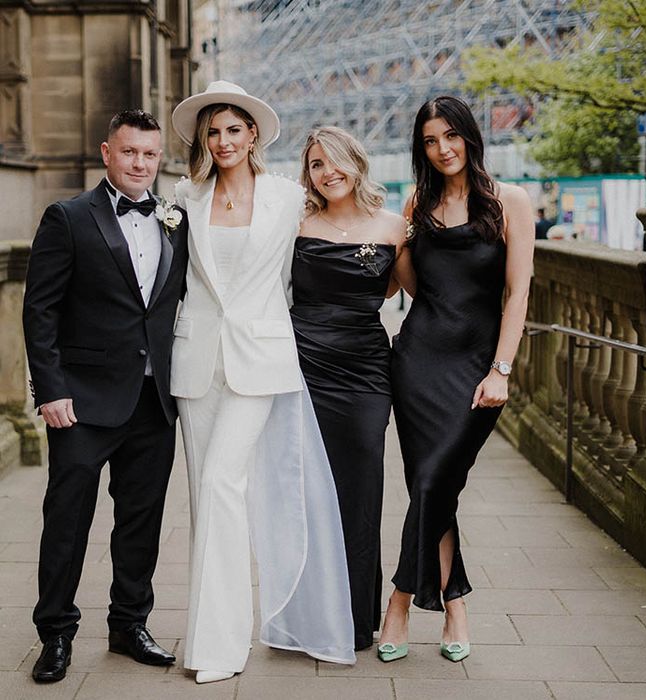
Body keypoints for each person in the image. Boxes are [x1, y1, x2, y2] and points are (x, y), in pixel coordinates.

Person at [169, 81, 355, 684]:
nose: (222, 141)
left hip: (261, 360)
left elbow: (317, 258)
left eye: (233, 130)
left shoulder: (286, 198)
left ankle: (226, 647)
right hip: (196, 363)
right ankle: (204, 641)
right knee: (206, 498)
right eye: (212, 132)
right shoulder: (185, 195)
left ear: (253, 136)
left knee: (225, 482)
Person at [22, 109, 189, 683]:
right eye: (129, 152)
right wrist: (50, 390)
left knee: (141, 521)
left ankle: (128, 624)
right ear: (106, 152)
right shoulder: (67, 218)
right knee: (67, 520)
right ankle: (57, 633)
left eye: (149, 154)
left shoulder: (176, 220)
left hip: (155, 401)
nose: (140, 163)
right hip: (82, 402)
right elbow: (39, 310)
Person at [378, 95, 534, 663]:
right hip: (418, 361)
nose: (442, 149)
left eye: (450, 136)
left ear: (469, 136)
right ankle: (454, 607)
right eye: (429, 140)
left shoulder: (510, 201)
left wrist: (501, 368)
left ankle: (398, 601)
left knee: (432, 485)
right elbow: (415, 287)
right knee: (434, 487)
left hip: (478, 369)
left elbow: (516, 293)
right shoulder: (417, 202)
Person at [291, 126, 410, 650]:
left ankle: (359, 620)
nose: (327, 171)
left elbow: (409, 291)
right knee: (306, 493)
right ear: (308, 173)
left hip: (364, 371)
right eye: (317, 164)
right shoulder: (295, 222)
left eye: (335, 161)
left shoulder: (392, 226)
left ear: (357, 163)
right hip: (301, 365)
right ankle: (308, 618)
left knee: (362, 492)